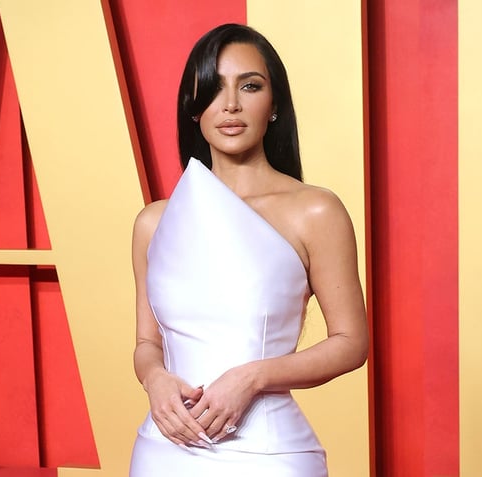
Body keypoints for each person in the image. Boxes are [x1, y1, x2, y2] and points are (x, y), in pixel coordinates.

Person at [129, 23, 368, 476]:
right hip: (165, 449)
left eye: (250, 86)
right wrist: (155, 380)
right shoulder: (153, 222)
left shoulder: (315, 211)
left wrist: (251, 377)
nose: (232, 104)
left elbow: (351, 344)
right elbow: (146, 342)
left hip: (269, 454)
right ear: (192, 108)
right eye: (214, 89)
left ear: (274, 104)